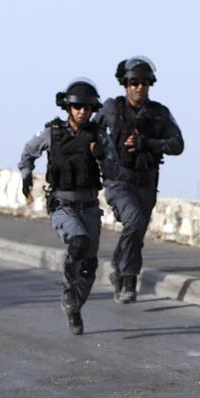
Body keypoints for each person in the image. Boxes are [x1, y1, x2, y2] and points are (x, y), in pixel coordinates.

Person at [18, 78, 117, 334]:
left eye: (87, 107)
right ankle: (68, 289)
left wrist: (101, 157)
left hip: (90, 206)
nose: (82, 111)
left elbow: (114, 171)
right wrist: (26, 177)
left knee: (89, 265)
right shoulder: (53, 133)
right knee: (78, 242)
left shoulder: (99, 137)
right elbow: (28, 153)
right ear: (68, 108)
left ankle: (74, 306)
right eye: (77, 107)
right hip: (63, 204)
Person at [93, 56, 184, 304]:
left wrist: (147, 143)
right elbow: (91, 133)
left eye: (144, 83)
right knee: (134, 222)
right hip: (118, 181)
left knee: (137, 231)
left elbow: (177, 144)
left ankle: (118, 266)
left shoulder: (159, 113)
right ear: (125, 84)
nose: (139, 87)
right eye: (134, 83)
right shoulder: (112, 108)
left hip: (147, 182)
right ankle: (129, 280)